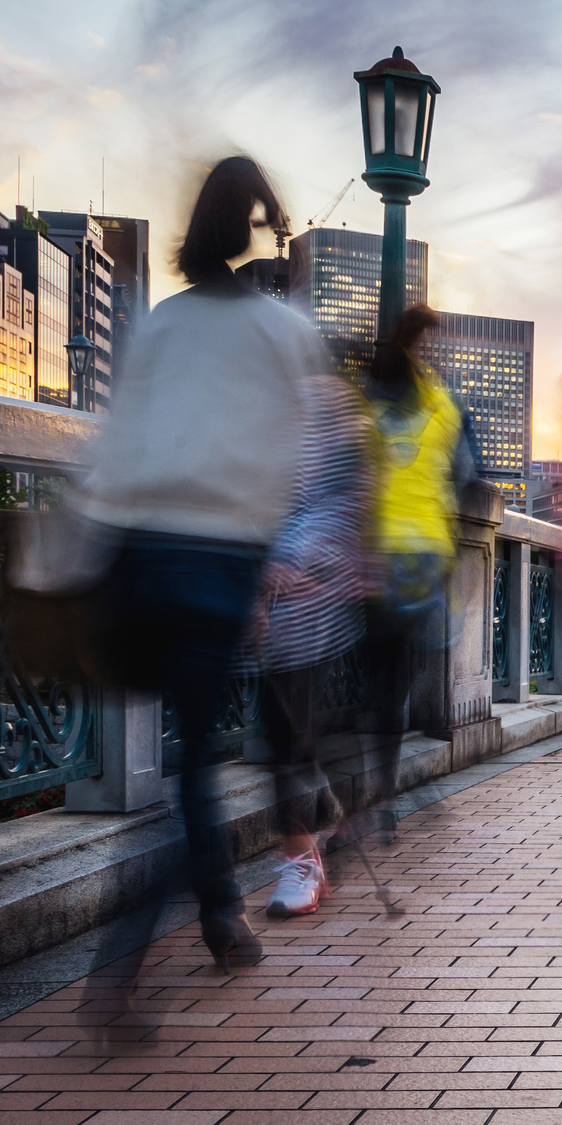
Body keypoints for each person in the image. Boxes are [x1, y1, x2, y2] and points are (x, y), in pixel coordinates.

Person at [73, 156, 330, 970]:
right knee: (195, 759)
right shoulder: (285, 330)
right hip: (223, 561)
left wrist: (91, 555)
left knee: (180, 757)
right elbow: (299, 454)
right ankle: (137, 952)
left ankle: (220, 909)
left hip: (143, 551)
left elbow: (118, 444)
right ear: (257, 226)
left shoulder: (162, 323)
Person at [351, 307, 476, 842]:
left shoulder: (361, 404)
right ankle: (383, 795)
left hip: (370, 553)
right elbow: (466, 474)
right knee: (396, 680)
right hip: (424, 557)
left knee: (370, 680)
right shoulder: (444, 407)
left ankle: (362, 798)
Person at [258, 376, 375, 919]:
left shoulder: (349, 454)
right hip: (273, 620)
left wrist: (322, 568)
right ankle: (304, 854)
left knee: (302, 741)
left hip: (320, 621)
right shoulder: (281, 447)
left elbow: (359, 521)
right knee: (285, 740)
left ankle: (304, 857)